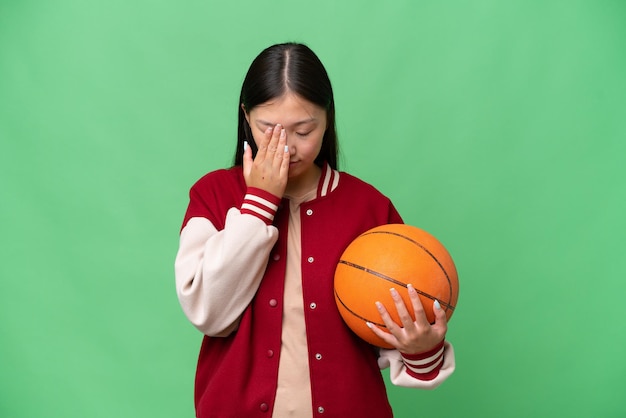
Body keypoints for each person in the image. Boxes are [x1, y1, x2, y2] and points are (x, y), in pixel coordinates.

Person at [175, 42, 455, 418]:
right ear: (245, 116)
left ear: (327, 120)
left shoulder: (369, 208)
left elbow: (407, 349)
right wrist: (259, 202)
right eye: (267, 129)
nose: (286, 147)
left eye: (303, 130)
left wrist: (421, 347)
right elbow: (208, 312)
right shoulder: (213, 195)